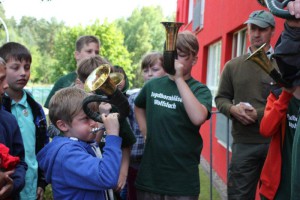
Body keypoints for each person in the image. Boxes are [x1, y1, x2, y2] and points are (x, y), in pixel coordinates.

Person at [134, 31, 212, 199]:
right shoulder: (153, 85)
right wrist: (145, 129)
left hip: (182, 183)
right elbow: (138, 106)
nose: (174, 60)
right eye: (170, 55)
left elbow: (198, 117)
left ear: (194, 60)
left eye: (181, 56)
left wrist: (178, 79)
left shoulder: (200, 90)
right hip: (150, 179)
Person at [215, 10, 277, 199]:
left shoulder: (283, 64)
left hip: (276, 144)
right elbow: (221, 99)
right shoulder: (232, 66)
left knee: (276, 196)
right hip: (244, 144)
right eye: (253, 28)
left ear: (272, 31)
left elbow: (288, 102)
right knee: (238, 196)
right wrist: (232, 109)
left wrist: (257, 114)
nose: (256, 34)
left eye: (262, 29)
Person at [37, 87, 122, 199]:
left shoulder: (77, 142)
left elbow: (93, 147)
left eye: (93, 115)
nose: (93, 123)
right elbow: (107, 178)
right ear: (63, 125)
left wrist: (103, 117)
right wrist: (113, 135)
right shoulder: (67, 154)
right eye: (86, 118)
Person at [76, 55, 136, 198]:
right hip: (91, 174)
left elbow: (126, 144)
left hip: (114, 175)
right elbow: (92, 145)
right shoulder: (80, 111)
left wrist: (123, 174)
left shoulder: (114, 109)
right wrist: (103, 121)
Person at [0, 42, 49, 200]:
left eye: (27, 67)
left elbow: (43, 146)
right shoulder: (3, 110)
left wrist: (42, 181)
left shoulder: (35, 108)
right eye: (15, 68)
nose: (23, 73)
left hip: (31, 185)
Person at [126, 51, 166, 200]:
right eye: (145, 70)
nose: (149, 74)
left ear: (167, 71)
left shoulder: (168, 98)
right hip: (137, 161)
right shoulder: (133, 98)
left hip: (160, 161)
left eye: (155, 70)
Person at [44, 35, 100, 108]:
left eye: (97, 52)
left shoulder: (102, 80)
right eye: (89, 51)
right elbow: (52, 115)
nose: (94, 55)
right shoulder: (63, 81)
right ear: (77, 55)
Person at [0, 57, 27, 199]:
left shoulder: (8, 120)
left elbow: (20, 161)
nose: (5, 86)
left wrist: (12, 185)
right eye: (0, 80)